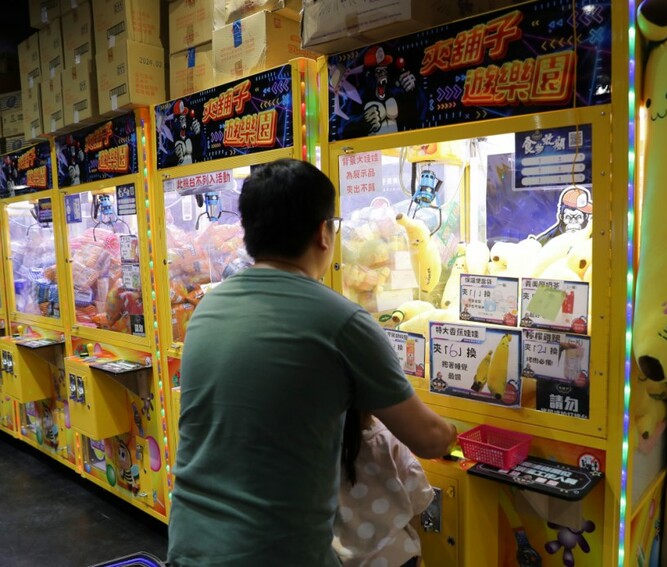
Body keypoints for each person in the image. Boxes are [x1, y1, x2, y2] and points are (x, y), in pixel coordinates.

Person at [168, 158, 457, 566]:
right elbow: (428, 439)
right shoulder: (341, 320)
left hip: (189, 544)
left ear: (249, 234)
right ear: (324, 232)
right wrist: (456, 432)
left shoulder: (207, 310)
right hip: (277, 554)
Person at [335, 409, 433, 567]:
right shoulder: (388, 439)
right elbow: (418, 500)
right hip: (397, 557)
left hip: (341, 560)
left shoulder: (316, 448)